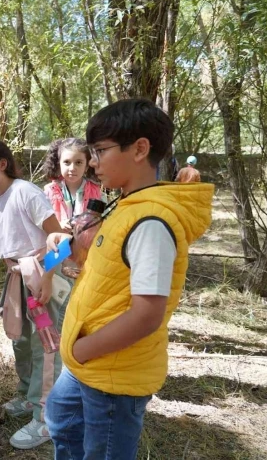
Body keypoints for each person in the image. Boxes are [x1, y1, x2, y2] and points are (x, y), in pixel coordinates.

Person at [44, 99, 213, 460]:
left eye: (100, 151)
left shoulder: (151, 223)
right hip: (89, 362)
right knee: (61, 420)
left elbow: (147, 314)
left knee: (103, 452)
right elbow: (105, 269)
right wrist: (66, 248)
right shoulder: (123, 205)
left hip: (112, 369)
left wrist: (82, 350)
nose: (92, 162)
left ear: (139, 149)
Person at [0, 139, 68, 450]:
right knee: (22, 341)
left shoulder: (25, 191)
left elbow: (62, 239)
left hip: (42, 274)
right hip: (17, 278)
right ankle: (28, 396)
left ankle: (46, 420)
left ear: (1, 163)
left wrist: (49, 279)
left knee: (46, 348)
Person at [42, 137, 104, 231]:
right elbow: (43, 222)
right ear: (59, 164)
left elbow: (102, 222)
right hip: (59, 242)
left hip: (86, 244)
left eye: (78, 162)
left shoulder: (95, 191)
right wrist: (58, 225)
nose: (72, 168)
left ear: (87, 166)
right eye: (67, 162)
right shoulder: (49, 191)